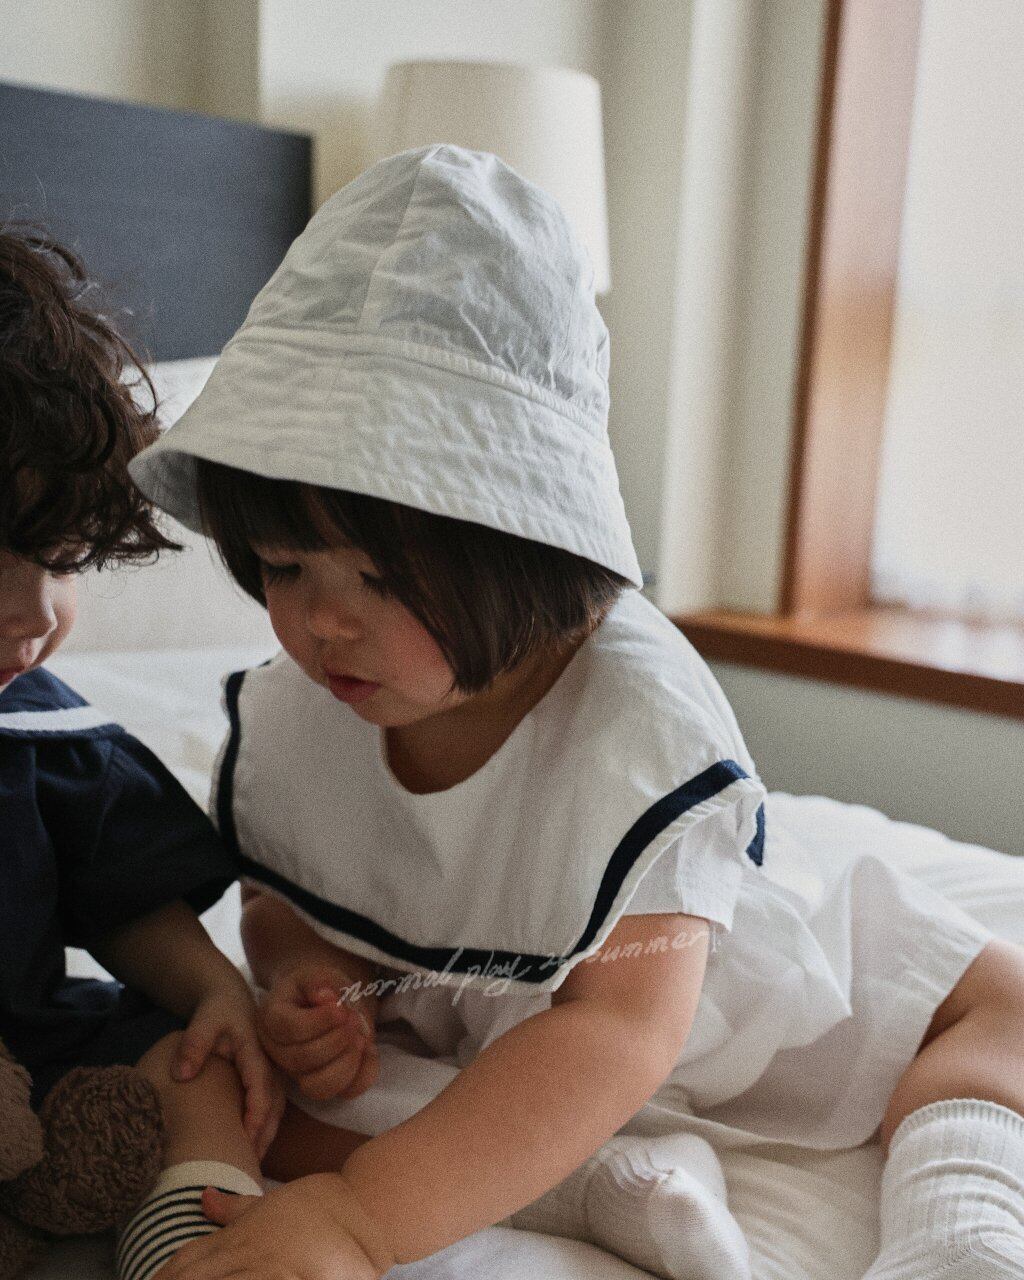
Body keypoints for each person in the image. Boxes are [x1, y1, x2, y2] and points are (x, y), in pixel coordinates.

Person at [130, 145, 1024, 1280]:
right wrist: (305, 963)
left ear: (531, 555)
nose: (320, 623)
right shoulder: (299, 708)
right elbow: (283, 881)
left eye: (381, 579)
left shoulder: (638, 719)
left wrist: (358, 1222)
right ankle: (594, 1185)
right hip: (486, 1022)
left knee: (999, 1005)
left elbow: (616, 1026)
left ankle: (960, 1239)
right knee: (231, 1083)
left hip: (702, 1005)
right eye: (283, 565)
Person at [0, 227, 288, 1280]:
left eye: (63, 560)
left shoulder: (41, 730)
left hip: (33, 1055)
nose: (37, 614)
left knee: (191, 1061)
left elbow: (124, 894)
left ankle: (193, 1251)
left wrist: (215, 991)